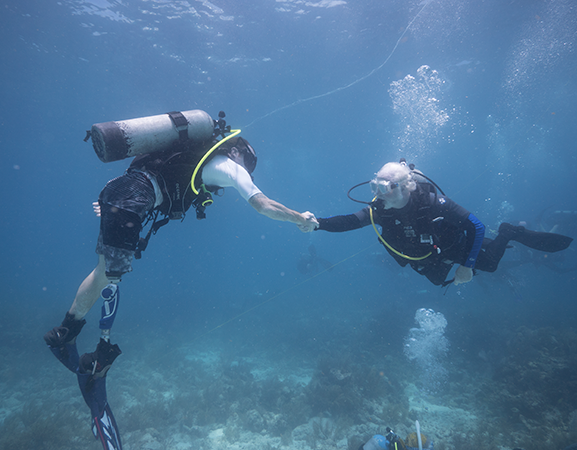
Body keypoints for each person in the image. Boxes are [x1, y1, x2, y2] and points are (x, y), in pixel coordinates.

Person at [44, 111, 318, 449]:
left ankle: (66, 332)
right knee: (111, 275)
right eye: (246, 165)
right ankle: (92, 355)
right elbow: (261, 205)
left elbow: (147, 178)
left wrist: (121, 202)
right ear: (239, 155)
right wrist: (298, 219)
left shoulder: (182, 155)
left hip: (122, 191)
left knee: (104, 272)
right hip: (132, 200)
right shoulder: (227, 166)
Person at [307, 160, 572, 287]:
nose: (381, 193)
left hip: (454, 245)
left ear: (409, 186)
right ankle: (447, 265)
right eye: (376, 185)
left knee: (489, 265)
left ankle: (508, 232)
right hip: (428, 254)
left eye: (389, 186)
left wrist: (467, 267)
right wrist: (316, 223)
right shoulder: (380, 208)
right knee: (436, 281)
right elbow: (349, 222)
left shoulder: (433, 202)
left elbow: (476, 226)